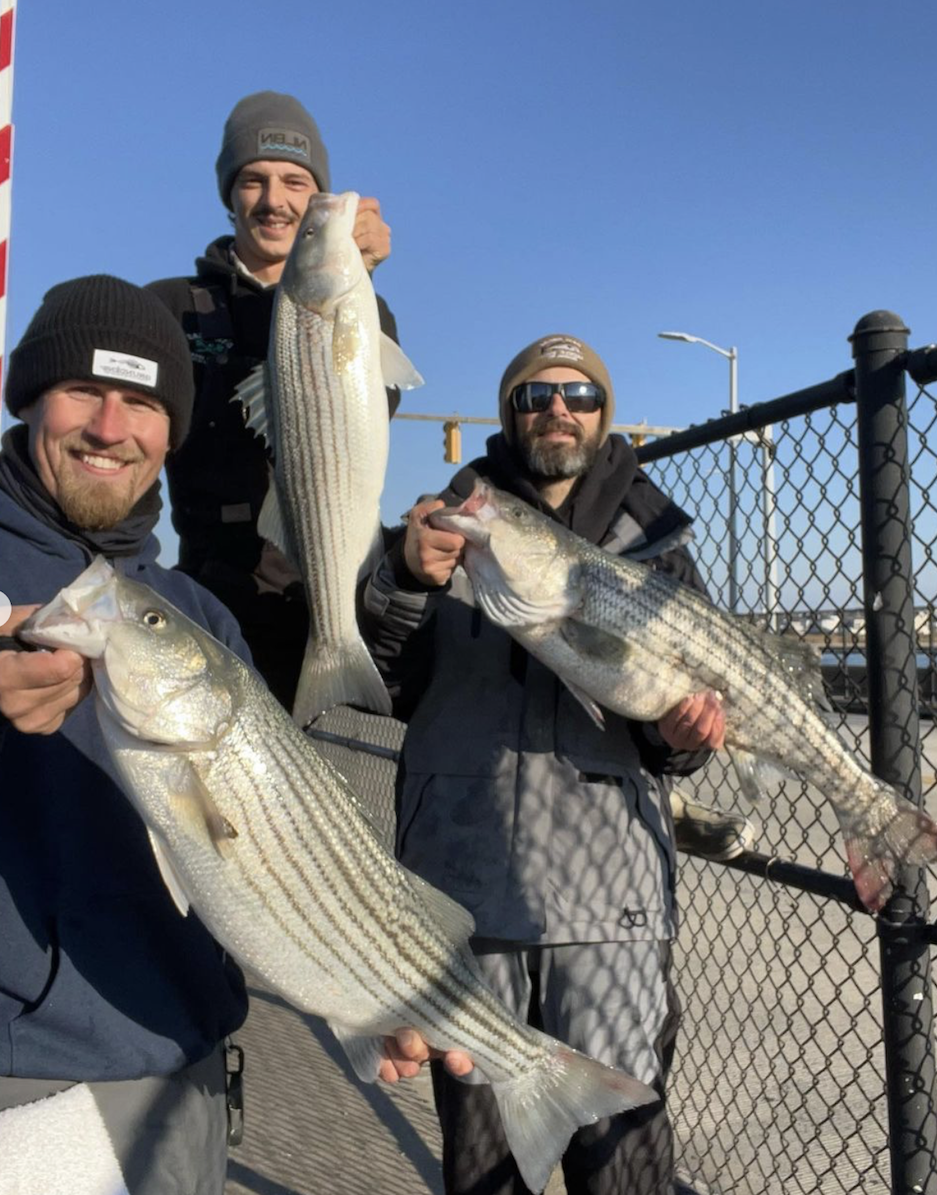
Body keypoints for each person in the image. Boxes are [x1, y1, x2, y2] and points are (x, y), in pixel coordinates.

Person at [0, 275, 467, 1195]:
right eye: (83, 391)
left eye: (142, 402)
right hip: (31, 1074)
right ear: (27, 397)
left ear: (172, 430)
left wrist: (374, 979)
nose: (110, 427)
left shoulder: (193, 611)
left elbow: (270, 847)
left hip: (192, 1063)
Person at [361, 333, 747, 1194]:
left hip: (610, 900)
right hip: (465, 893)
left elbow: (672, 739)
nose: (558, 409)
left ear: (604, 415)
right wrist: (400, 578)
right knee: (485, 1160)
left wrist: (682, 738)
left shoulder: (660, 549)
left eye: (578, 393)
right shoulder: (448, 523)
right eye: (535, 396)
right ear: (510, 415)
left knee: (624, 1157)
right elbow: (383, 679)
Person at [147, 90, 400, 711]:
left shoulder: (366, 308)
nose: (275, 200)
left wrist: (358, 281)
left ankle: (336, 657)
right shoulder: (168, 304)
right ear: (229, 195)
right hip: (208, 592)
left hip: (324, 586)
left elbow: (376, 406)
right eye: (253, 180)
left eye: (296, 182)